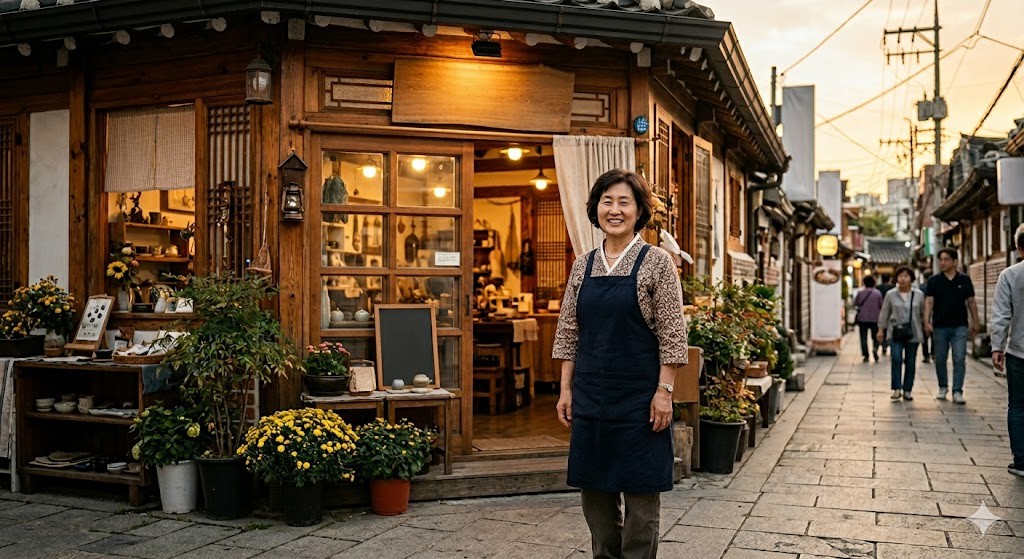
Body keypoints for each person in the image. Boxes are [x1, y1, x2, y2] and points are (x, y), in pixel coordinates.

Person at [553, 168, 687, 559]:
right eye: (607, 201)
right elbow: (569, 332)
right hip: (592, 395)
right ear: (595, 209)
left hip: (641, 398)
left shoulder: (657, 262)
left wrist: (664, 391)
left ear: (639, 210)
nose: (615, 210)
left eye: (624, 202)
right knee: (595, 494)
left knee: (641, 497)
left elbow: (673, 336)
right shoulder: (583, 265)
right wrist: (565, 389)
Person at [989, 224, 1024, 477]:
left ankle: (1021, 461)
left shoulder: (1010, 275)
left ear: (1018, 247)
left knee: (1019, 406)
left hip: (1019, 352)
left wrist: (997, 347)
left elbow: (1001, 315)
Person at [924, 248, 979, 404]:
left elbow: (971, 302)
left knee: (959, 358)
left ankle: (957, 391)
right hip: (940, 326)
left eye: (946, 259)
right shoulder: (934, 280)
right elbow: (929, 302)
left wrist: (976, 322)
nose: (942, 262)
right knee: (940, 358)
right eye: (940, 259)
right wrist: (926, 321)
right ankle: (943, 387)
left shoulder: (964, 280)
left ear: (955, 261)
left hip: (959, 325)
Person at [877, 266, 925, 400]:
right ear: (896, 278)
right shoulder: (890, 294)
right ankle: (897, 388)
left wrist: (926, 325)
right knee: (896, 358)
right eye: (900, 276)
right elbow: (884, 313)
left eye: (906, 276)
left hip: (913, 332)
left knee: (910, 361)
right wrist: (881, 329)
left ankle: (907, 389)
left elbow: (923, 313)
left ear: (911, 278)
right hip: (895, 332)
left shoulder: (919, 295)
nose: (903, 279)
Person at [853, 276, 883, 363]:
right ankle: (875, 348)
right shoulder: (878, 293)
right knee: (875, 336)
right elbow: (881, 306)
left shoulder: (860, 293)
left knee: (863, 337)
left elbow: (856, 303)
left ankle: (866, 355)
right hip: (875, 318)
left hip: (862, 318)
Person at [918, 270, 933, 363]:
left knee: (924, 337)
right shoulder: (935, 285)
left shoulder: (921, 287)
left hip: (923, 313)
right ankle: (934, 353)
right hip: (934, 313)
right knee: (934, 335)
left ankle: (926, 355)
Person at [876, 275, 894, 356]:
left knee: (882, 328)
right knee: (888, 329)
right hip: (892, 310)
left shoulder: (878, 288)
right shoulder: (892, 288)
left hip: (880, 310)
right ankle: (887, 345)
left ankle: (883, 346)